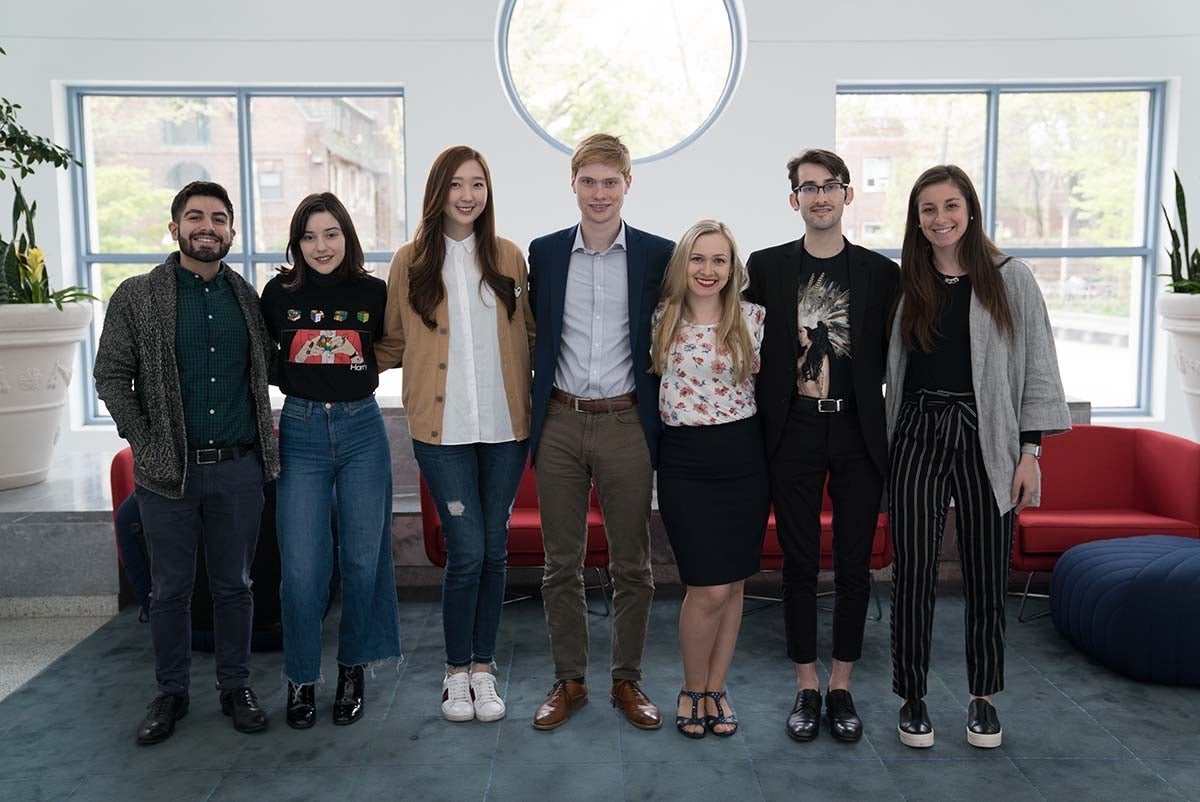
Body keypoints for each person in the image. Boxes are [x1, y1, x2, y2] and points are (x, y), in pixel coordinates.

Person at [886, 164, 1070, 749]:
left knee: (987, 572)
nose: (940, 219)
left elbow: (1038, 365)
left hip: (984, 434)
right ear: (916, 220)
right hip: (915, 430)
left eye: (950, 206)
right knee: (912, 572)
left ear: (970, 209)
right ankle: (911, 697)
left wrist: (1030, 451)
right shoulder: (903, 281)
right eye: (928, 210)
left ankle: (982, 699)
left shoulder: (1010, 279)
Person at [94, 180, 280, 745]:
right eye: (195, 217)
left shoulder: (247, 296)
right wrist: (146, 444)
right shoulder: (136, 295)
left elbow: (268, 370)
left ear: (231, 230)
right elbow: (110, 377)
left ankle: (235, 686)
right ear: (174, 228)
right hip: (166, 472)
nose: (208, 226)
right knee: (170, 591)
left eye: (219, 218)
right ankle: (171, 692)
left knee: (235, 586)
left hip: (239, 468)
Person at [745, 149, 899, 743]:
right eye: (808, 189)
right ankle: (806, 684)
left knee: (855, 564)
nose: (820, 197)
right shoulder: (767, 268)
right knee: (801, 563)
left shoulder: (880, 274)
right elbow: (744, 343)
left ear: (847, 195)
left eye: (830, 186)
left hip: (860, 429)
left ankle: (842, 685)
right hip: (795, 429)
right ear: (795, 201)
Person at [375, 146, 534, 723]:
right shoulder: (410, 261)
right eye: (456, 185)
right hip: (441, 433)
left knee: (493, 550)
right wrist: (327, 361)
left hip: (505, 429)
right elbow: (391, 342)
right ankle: (454, 673)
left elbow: (533, 338)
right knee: (467, 550)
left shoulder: (510, 258)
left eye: (478, 185)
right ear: (437, 191)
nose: (467, 196)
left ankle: (484, 671)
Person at [527, 133, 675, 731]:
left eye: (610, 182)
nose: (598, 193)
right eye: (588, 181)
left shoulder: (658, 255)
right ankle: (569, 681)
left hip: (626, 422)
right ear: (573, 184)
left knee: (632, 565)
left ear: (627, 186)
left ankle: (627, 680)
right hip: (560, 420)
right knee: (560, 564)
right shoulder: (543, 252)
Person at [260, 192, 401, 729]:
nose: (321, 246)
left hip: (363, 427)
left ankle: (351, 671)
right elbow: (264, 362)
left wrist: (352, 365)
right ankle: (301, 678)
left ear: (347, 236)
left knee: (364, 561)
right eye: (309, 237)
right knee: (302, 572)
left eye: (331, 234)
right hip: (299, 430)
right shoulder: (277, 294)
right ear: (296, 244)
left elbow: (390, 347)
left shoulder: (374, 291)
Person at [650, 220, 768, 739]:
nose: (708, 270)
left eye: (719, 260)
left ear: (732, 267)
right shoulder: (659, 320)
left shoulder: (754, 319)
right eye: (698, 259)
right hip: (684, 461)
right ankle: (690, 688)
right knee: (707, 587)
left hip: (743, 457)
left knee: (735, 581)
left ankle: (717, 689)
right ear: (683, 264)